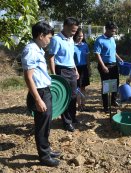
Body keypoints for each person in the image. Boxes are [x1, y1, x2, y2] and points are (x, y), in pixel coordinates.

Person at [21, 21, 60, 167]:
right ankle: (44, 156)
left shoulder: (37, 48)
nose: (49, 41)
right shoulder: (31, 50)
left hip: (45, 90)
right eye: (49, 37)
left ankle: (47, 149)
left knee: (47, 122)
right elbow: (28, 77)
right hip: (40, 93)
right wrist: (38, 100)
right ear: (41, 35)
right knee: (42, 125)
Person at [49, 17, 80, 132]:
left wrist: (75, 70)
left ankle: (73, 117)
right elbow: (51, 57)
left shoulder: (71, 39)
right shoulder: (56, 39)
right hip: (61, 70)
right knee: (65, 97)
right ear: (65, 27)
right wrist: (54, 76)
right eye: (73, 30)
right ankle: (67, 122)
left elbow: (71, 57)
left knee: (73, 96)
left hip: (71, 70)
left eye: (76, 30)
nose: (74, 33)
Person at [94, 21, 123, 113]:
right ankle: (105, 106)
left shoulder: (112, 39)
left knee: (115, 83)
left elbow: (114, 51)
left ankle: (113, 101)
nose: (114, 33)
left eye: (114, 31)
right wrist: (103, 66)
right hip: (105, 65)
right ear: (107, 29)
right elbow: (97, 54)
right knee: (106, 86)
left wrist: (119, 59)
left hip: (114, 65)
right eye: (112, 31)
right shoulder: (99, 40)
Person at [73, 28, 90, 111]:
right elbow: (71, 59)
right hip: (76, 69)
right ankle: (78, 105)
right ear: (75, 36)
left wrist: (89, 68)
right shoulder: (72, 45)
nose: (80, 37)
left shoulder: (85, 45)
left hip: (84, 68)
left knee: (83, 88)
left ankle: (84, 104)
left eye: (82, 36)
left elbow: (87, 58)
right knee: (77, 88)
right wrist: (75, 70)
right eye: (79, 36)